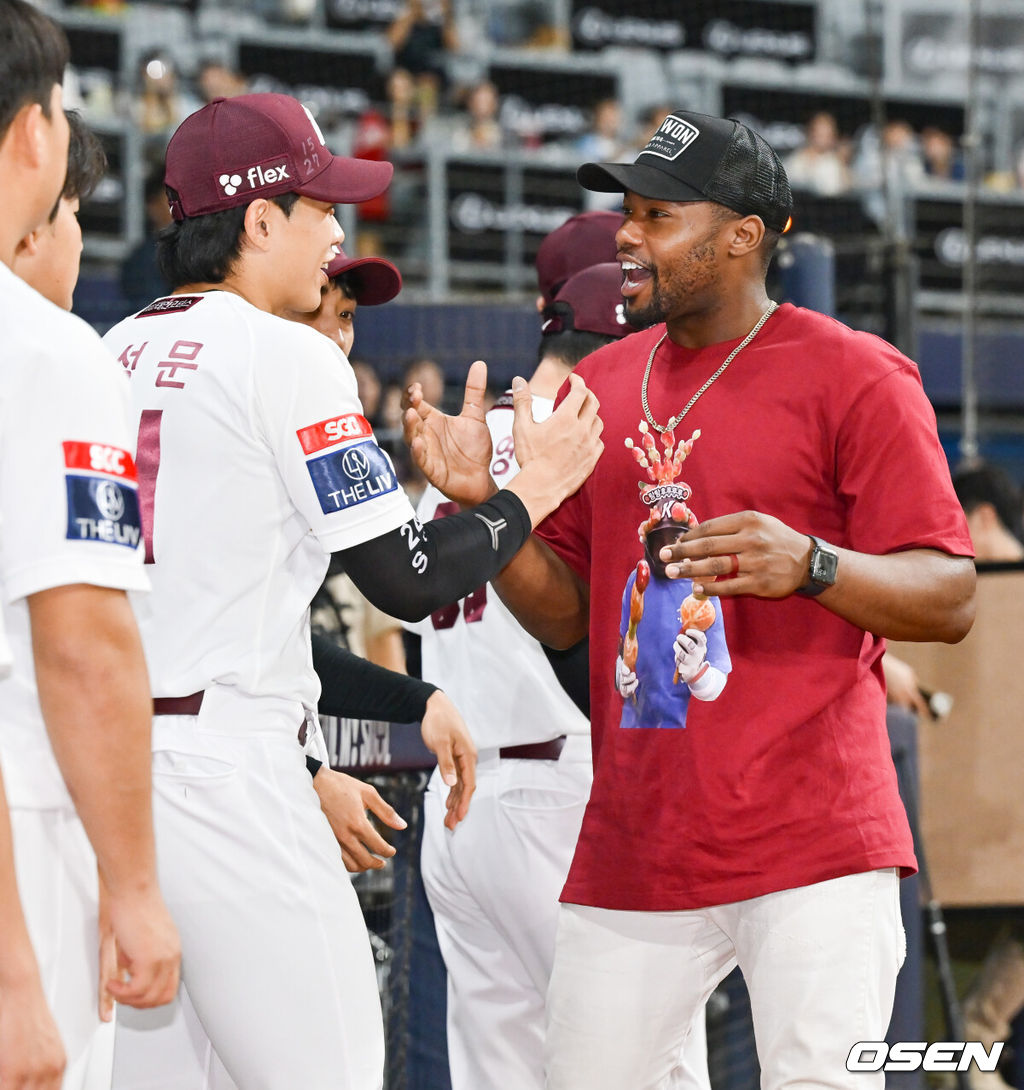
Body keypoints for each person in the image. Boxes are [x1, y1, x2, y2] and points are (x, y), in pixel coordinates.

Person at [404, 109, 977, 1090]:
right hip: (637, 834)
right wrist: (489, 511)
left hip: (812, 834)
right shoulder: (602, 380)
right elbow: (562, 612)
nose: (628, 234)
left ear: (742, 236)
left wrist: (815, 564)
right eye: (625, 213)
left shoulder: (855, 374)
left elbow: (950, 592)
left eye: (658, 215)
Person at [101, 91, 601, 1089]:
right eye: (320, 205)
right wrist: (527, 495)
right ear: (256, 220)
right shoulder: (288, 352)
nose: (336, 231)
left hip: (114, 769)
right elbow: (407, 580)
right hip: (233, 774)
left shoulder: (113, 347)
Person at [1, 4, 181, 1087]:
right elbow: (84, 646)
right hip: (27, 834)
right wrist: (134, 886)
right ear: (33, 132)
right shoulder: (47, 351)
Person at [411, 263, 640, 1090]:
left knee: (499, 1070)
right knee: (642, 1061)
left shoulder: (462, 435)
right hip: (556, 786)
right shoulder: (582, 444)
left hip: (460, 799)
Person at [951, 462, 1024, 1090]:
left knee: (975, 1032)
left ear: (982, 516)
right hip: (984, 846)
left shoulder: (1005, 601)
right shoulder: (969, 612)